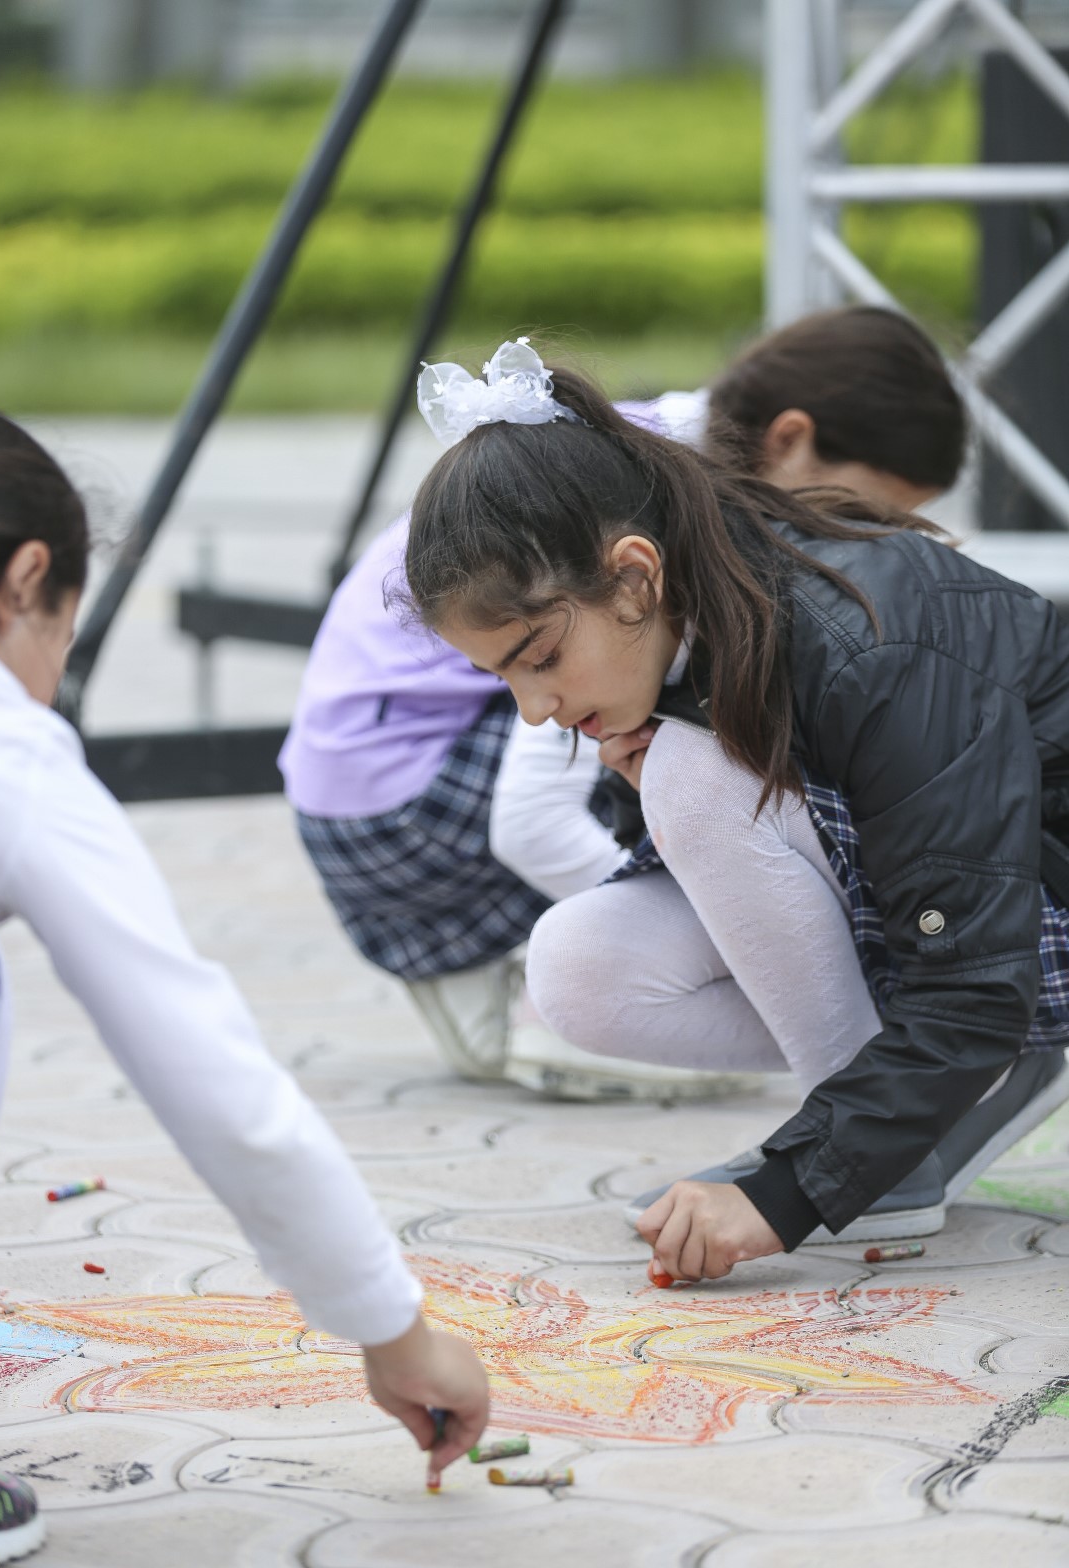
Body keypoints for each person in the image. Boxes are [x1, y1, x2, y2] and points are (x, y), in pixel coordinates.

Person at [401, 336, 1069, 1286]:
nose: (535, 707)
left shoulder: (868, 639)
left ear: (635, 575)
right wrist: (636, 790)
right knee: (576, 969)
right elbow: (750, 874)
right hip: (961, 933)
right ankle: (877, 1128)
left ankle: (884, 1164)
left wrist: (787, 1193)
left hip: (1030, 933)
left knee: (691, 775)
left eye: (539, 657)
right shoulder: (693, 617)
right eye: (503, 678)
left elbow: (973, 979)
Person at [0, 412, 487, 1565]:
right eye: (63, 631)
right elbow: (204, 1064)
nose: (54, 676)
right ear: (24, 583)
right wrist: (392, 1326)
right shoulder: (11, 759)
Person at [280, 309, 965, 1098]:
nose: (852, 547)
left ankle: (503, 995)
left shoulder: (628, 453)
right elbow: (532, 818)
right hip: (402, 807)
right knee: (683, 743)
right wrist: (751, 935)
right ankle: (550, 1002)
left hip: (356, 800)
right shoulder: (634, 511)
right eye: (860, 516)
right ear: (790, 440)